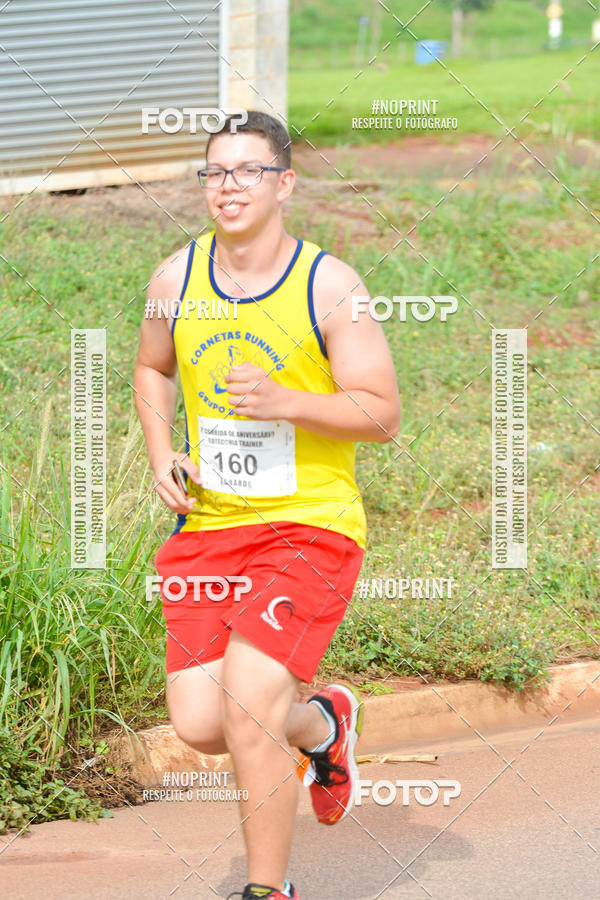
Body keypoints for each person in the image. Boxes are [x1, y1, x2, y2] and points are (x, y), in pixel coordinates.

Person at [134, 109, 400, 900]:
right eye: (216, 172)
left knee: (250, 705)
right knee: (199, 724)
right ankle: (325, 727)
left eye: (249, 170)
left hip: (308, 525)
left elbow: (382, 413)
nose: (229, 187)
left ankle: (268, 890)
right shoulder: (175, 279)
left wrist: (287, 400)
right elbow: (153, 369)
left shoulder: (329, 284)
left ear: (285, 183)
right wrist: (161, 453)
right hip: (212, 526)